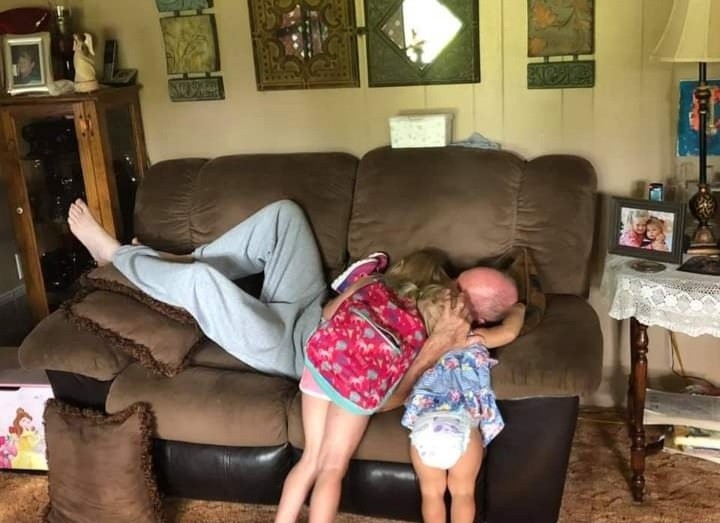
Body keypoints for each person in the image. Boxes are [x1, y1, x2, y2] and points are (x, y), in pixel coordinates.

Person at [275, 250, 524, 523]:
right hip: (356, 386)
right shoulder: (440, 326)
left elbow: (328, 313)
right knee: (332, 467)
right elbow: (507, 332)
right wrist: (520, 309)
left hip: (323, 363)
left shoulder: (375, 282)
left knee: (310, 459)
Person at [400, 260, 522, 523]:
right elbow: (510, 332)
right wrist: (519, 309)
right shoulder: (473, 340)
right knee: (463, 493)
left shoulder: (420, 347)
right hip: (463, 424)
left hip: (425, 426)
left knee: (431, 494)